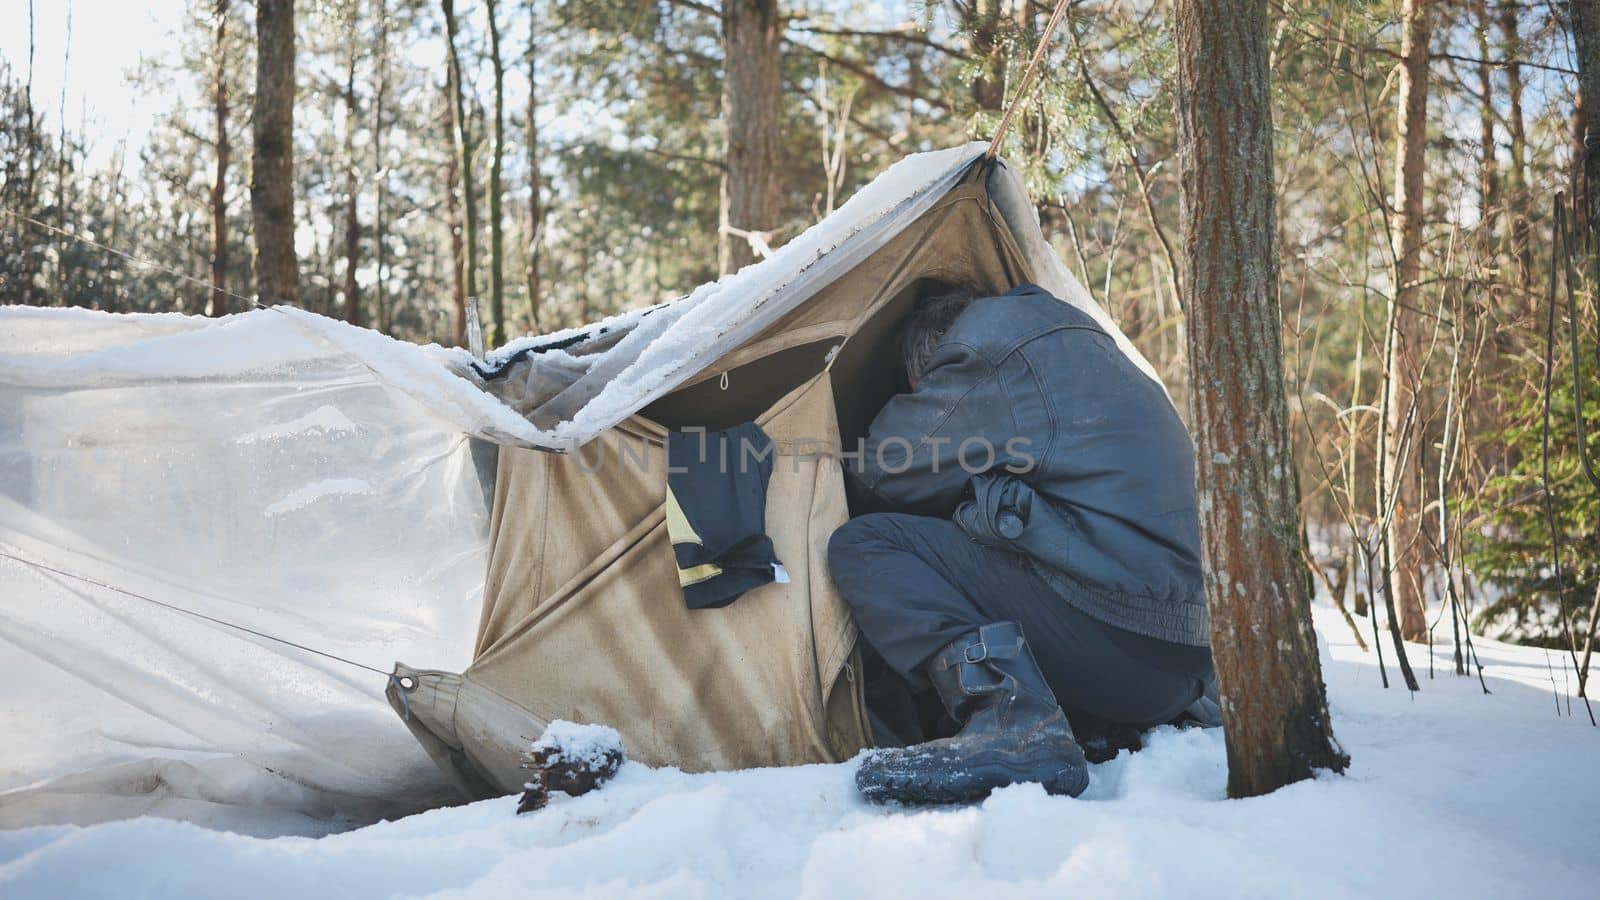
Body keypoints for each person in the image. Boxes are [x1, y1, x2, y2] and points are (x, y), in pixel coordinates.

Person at [828, 282, 1213, 805]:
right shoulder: (1088, 345)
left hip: (1116, 641)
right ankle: (1081, 723)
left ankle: (1012, 722)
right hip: (1183, 670)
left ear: (926, 369)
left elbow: (880, 476)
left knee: (868, 544)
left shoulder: (983, 351)